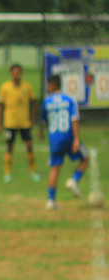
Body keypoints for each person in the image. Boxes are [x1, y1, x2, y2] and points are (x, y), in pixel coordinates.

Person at [40, 74, 89, 210]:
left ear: (52, 85)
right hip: (68, 137)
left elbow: (44, 121)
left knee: (55, 168)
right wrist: (76, 138)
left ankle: (50, 201)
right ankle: (74, 180)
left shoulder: (47, 101)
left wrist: (41, 133)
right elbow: (74, 119)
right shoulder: (69, 99)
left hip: (54, 139)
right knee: (85, 158)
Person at [0, 63, 41, 184]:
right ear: (11, 73)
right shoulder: (5, 87)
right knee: (9, 147)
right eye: (14, 72)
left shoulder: (27, 87)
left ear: (21, 73)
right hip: (10, 123)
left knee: (29, 146)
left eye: (19, 72)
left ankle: (33, 172)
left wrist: (32, 119)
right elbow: (0, 106)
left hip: (24, 123)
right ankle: (7, 173)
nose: (17, 74)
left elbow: (34, 102)